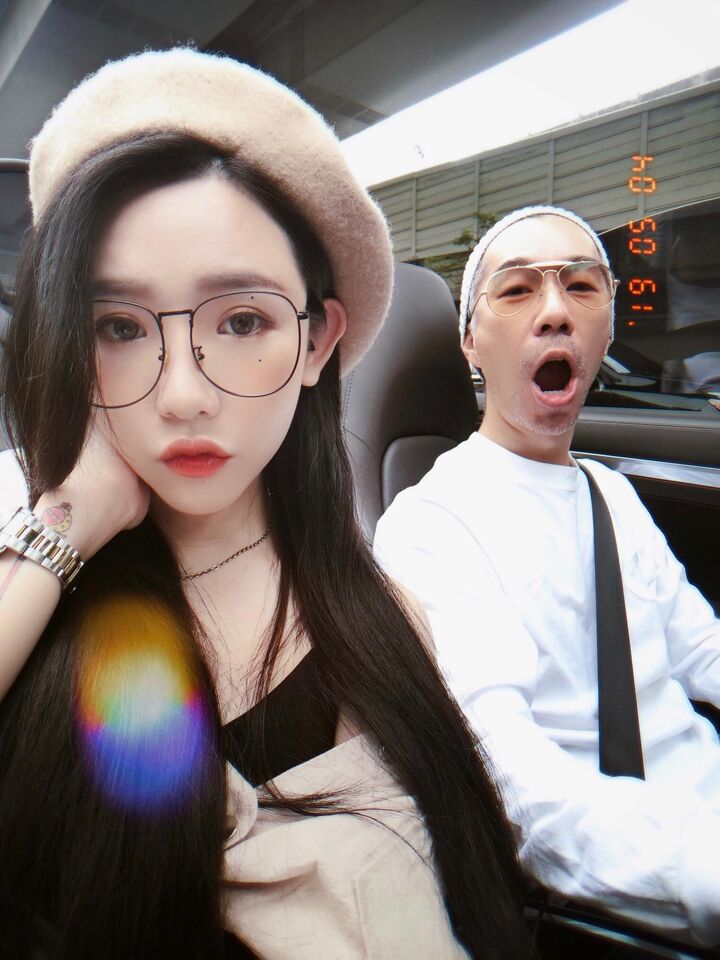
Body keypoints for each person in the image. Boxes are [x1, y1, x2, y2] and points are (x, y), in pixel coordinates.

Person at [0, 50, 530, 959]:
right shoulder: (30, 558)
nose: (182, 395)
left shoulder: (373, 622)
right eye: (118, 328)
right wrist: (67, 526)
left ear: (317, 341)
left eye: (241, 321)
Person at [374, 205, 720, 947]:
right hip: (639, 893)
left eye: (582, 287)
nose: (556, 310)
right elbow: (516, 789)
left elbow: (703, 650)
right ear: (471, 340)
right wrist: (700, 864)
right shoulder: (432, 525)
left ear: (607, 330)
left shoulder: (611, 494)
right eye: (517, 289)